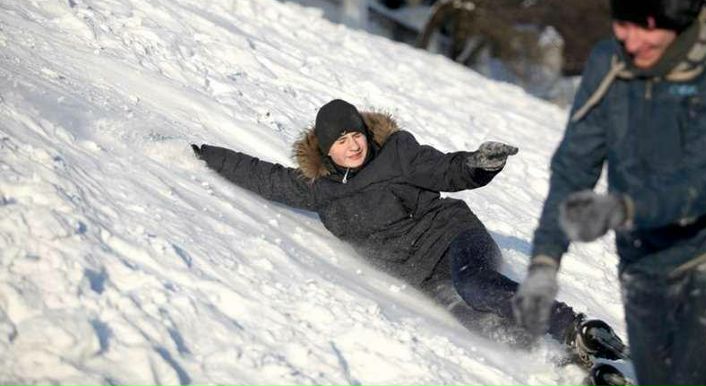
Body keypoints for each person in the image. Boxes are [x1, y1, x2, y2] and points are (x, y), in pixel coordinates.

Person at [193, 99, 624, 363]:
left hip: (455, 238)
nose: (353, 145)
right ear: (327, 150)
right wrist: (201, 154)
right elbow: (262, 175)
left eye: (355, 134)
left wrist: (476, 165)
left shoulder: (398, 153)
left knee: (476, 285)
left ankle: (572, 326)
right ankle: (564, 362)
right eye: (341, 141)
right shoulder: (320, 190)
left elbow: (445, 170)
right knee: (479, 323)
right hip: (423, 276)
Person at [513, 0, 706, 386]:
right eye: (622, 24)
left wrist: (622, 209)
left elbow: (703, 183)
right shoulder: (609, 64)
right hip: (644, 256)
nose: (629, 40)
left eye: (644, 28)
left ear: (678, 23)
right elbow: (574, 165)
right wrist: (545, 262)